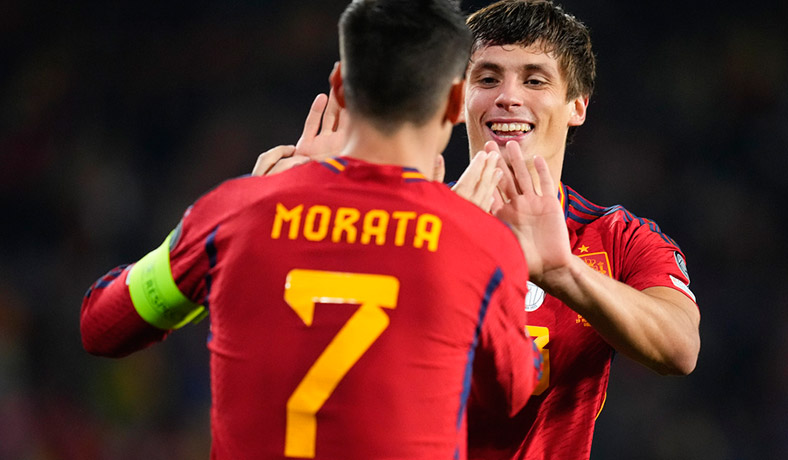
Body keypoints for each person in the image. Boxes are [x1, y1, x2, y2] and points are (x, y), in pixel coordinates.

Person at [79, 0, 542, 458]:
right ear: (457, 102)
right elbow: (513, 390)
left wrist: (224, 232)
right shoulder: (478, 241)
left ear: (339, 86)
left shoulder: (233, 214)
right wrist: (458, 238)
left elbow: (101, 324)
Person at [458, 1, 701, 459]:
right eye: (488, 78)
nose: (508, 97)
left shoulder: (618, 238)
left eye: (534, 80)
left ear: (577, 106)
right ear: (459, 99)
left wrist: (562, 272)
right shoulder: (410, 222)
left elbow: (680, 348)